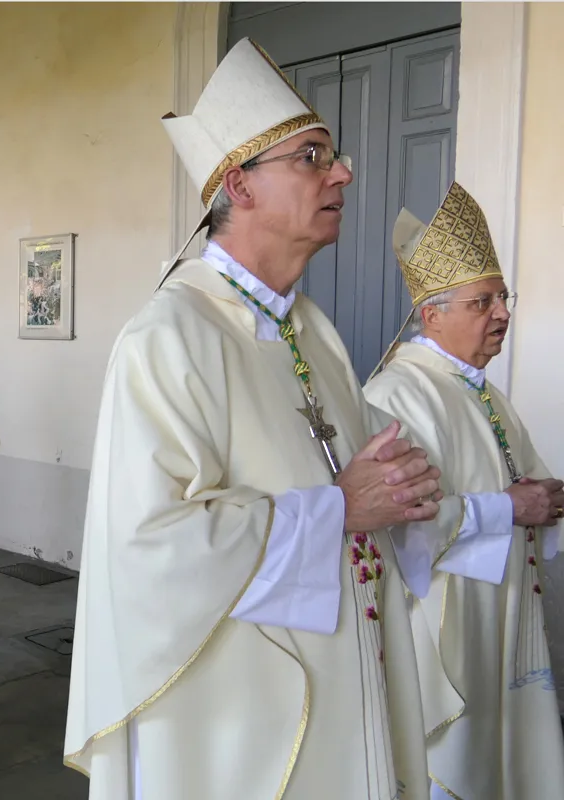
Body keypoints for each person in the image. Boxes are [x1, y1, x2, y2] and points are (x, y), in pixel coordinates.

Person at [64, 38, 447, 799]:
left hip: (346, 668)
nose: (342, 172)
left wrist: (404, 490)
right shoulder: (167, 337)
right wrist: (341, 507)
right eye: (312, 157)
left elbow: (366, 484)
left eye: (333, 156)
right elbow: (150, 547)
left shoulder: (314, 330)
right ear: (237, 185)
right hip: (234, 718)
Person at [363, 183, 564, 800]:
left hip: (502, 615)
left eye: (504, 297)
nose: (502, 312)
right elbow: (396, 520)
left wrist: (547, 500)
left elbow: (526, 485)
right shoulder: (396, 395)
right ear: (432, 315)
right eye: (483, 301)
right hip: (450, 628)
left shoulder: (484, 391)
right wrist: (510, 507)